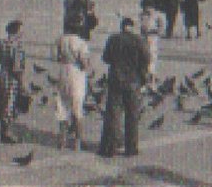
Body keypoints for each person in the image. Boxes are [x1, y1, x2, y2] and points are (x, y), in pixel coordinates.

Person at [98, 17, 151, 158]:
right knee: (132, 116)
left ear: (122, 27)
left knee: (113, 115)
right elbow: (147, 59)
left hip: (115, 80)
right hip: (133, 82)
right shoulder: (139, 40)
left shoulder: (113, 39)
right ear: (132, 27)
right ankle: (131, 148)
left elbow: (105, 58)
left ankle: (110, 148)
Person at [54, 21, 91, 151]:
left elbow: (56, 57)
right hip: (76, 74)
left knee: (62, 107)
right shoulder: (81, 43)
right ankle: (77, 142)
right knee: (77, 109)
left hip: (63, 72)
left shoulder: (60, 40)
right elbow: (84, 63)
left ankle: (62, 141)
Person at [0, 20, 27, 143]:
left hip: (2, 76)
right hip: (12, 79)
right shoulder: (17, 46)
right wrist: (22, 84)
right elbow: (17, 68)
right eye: (21, 31)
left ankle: (3, 131)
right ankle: (6, 134)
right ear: (16, 32)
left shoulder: (2, 43)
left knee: (1, 103)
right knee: (10, 105)